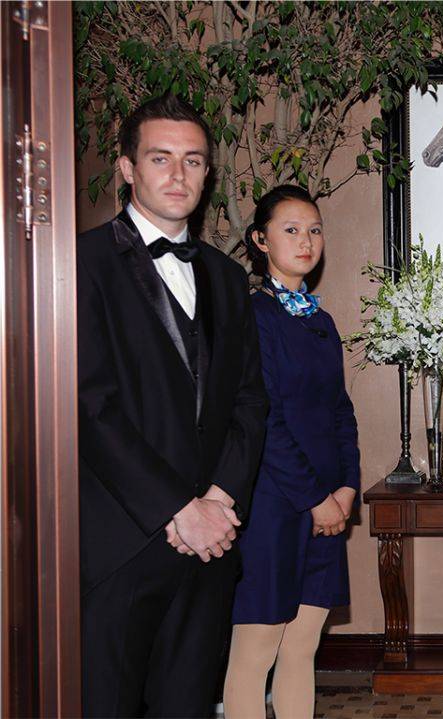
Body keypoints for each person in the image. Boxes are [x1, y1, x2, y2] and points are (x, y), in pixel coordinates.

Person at [77, 94, 268, 717]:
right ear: (127, 168)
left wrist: (219, 500)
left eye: (193, 160)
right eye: (160, 158)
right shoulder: (79, 264)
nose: (178, 174)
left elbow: (249, 400)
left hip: (210, 548)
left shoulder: (227, 277)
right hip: (122, 547)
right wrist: (177, 509)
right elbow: (90, 407)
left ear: (207, 172)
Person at [223, 185, 360, 718]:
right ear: (260, 240)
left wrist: (346, 487)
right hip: (273, 506)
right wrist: (315, 498)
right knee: (256, 651)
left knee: (303, 645)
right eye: (291, 230)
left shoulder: (321, 322)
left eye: (315, 230)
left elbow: (340, 411)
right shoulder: (252, 315)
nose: (306, 241)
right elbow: (264, 419)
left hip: (327, 506)